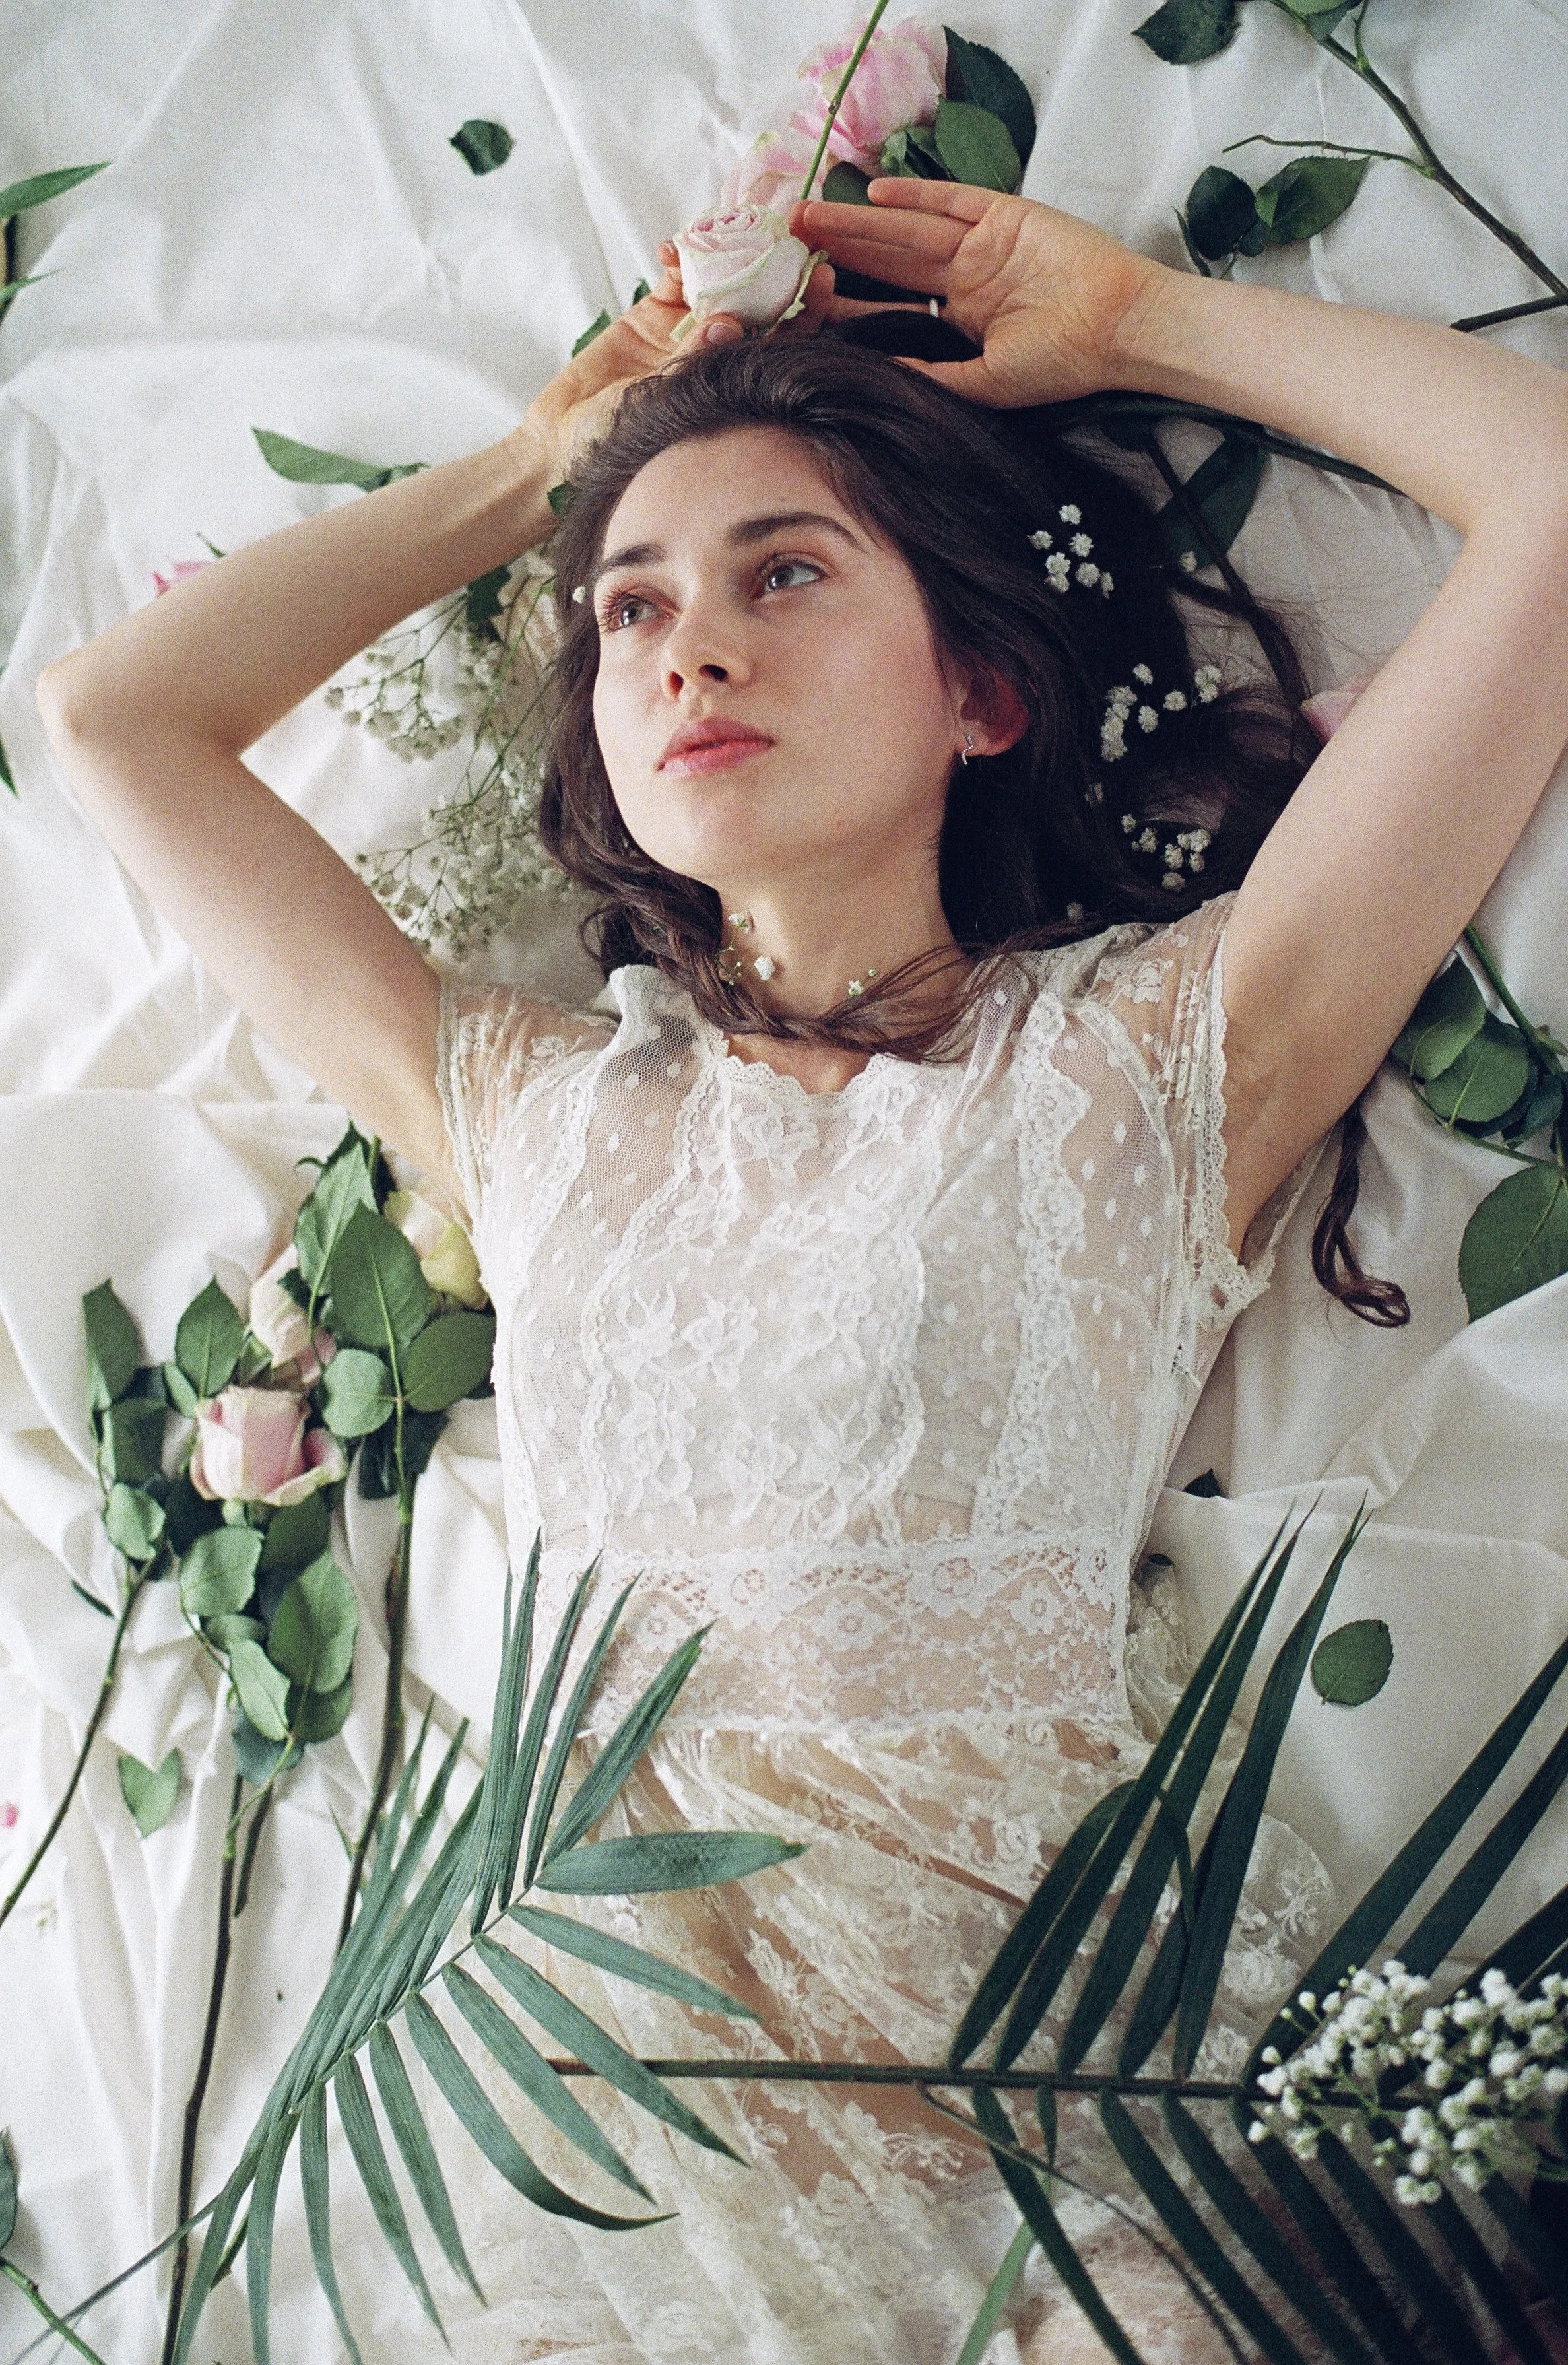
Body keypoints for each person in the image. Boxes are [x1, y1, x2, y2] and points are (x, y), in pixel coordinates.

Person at [34, 178, 1568, 2362]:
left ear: (980, 690)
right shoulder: (539, 1119)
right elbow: (115, 721)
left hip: (1049, 2114)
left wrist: (1137, 320)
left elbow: (1552, 498)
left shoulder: (1144, 1072)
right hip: (596, 2125)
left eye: (783, 573)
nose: (692, 648)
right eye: (631, 607)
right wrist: (535, 466)